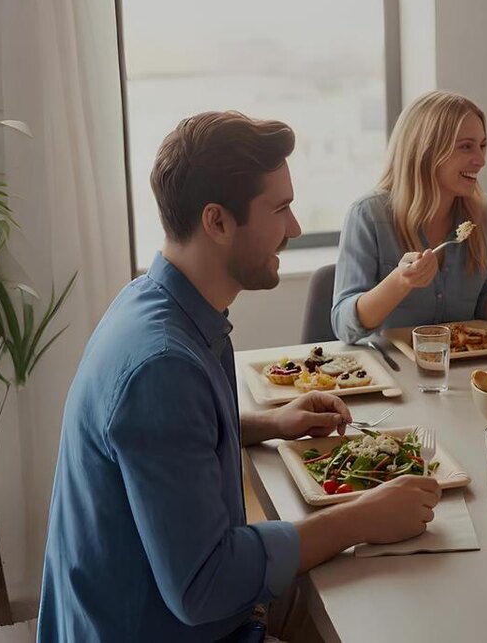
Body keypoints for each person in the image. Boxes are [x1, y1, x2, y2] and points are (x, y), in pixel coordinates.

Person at [38, 111, 441, 641]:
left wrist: (268, 423)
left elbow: (172, 442)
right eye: (280, 209)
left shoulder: (156, 303)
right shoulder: (162, 367)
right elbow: (203, 586)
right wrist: (360, 519)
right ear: (217, 221)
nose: (295, 229)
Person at [331, 91, 487, 344]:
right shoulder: (368, 215)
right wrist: (399, 282)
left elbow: (482, 315)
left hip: (464, 371)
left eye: (482, 145)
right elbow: (344, 326)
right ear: (426, 151)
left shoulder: (486, 213)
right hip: (395, 371)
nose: (480, 160)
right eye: (466, 146)